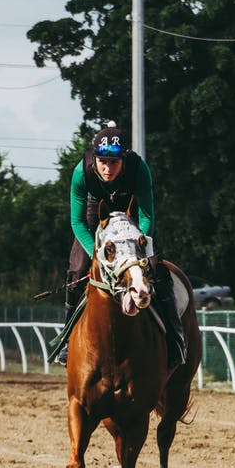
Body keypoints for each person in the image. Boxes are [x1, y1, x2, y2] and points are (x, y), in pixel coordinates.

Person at [54, 122, 186, 369]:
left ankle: (175, 338)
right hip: (96, 212)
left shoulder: (140, 169)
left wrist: (139, 247)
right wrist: (97, 250)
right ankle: (67, 340)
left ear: (124, 160)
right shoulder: (81, 173)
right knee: (76, 270)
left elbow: (147, 217)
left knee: (156, 268)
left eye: (114, 163)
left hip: (132, 212)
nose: (107, 168)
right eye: (102, 161)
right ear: (94, 159)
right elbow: (77, 221)